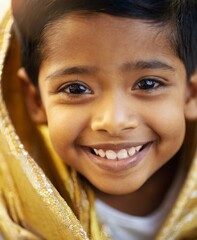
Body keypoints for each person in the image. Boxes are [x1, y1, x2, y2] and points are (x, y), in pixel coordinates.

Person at [0, 0, 197, 239]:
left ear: (191, 94)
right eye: (75, 89)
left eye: (147, 84)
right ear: (36, 101)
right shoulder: (10, 216)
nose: (114, 122)